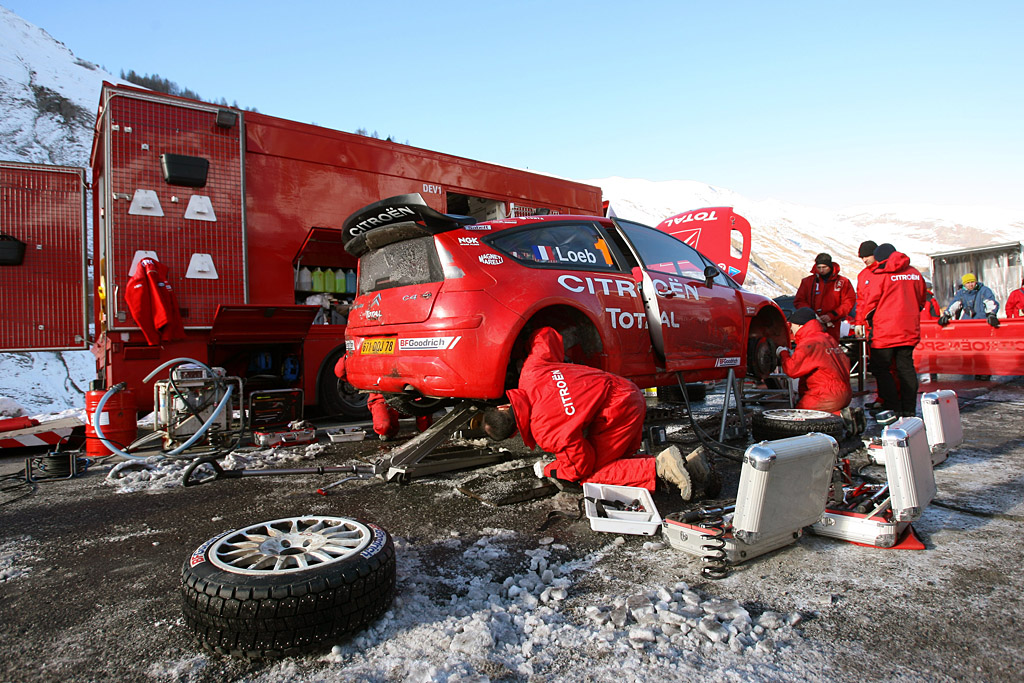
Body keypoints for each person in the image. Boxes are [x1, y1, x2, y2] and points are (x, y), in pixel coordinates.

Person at [481, 327, 709, 500]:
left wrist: (550, 467)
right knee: (616, 461)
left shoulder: (545, 432)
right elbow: (546, 337)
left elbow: (580, 465)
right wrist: (527, 334)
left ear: (514, 434)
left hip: (619, 413)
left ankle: (662, 467)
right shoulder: (531, 372)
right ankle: (690, 466)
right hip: (626, 390)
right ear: (503, 406)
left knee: (591, 475)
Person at [861, 243, 927, 418]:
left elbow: (870, 304)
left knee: (882, 369)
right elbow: (922, 300)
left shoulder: (881, 274)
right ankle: (909, 408)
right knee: (906, 368)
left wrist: (866, 321)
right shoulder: (914, 273)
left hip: (885, 331)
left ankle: (892, 407)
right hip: (909, 329)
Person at [334, 354, 432, 440]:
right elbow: (340, 371)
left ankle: (424, 430)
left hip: (409, 394)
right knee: (384, 427)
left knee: (424, 407)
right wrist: (348, 356)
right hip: (383, 397)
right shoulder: (367, 347)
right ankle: (389, 432)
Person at [776, 308, 852, 415]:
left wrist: (783, 353)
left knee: (799, 417)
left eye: (791, 325)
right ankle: (840, 414)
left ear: (799, 325)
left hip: (825, 396)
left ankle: (839, 415)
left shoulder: (809, 342)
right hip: (845, 393)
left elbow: (791, 370)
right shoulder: (827, 338)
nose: (790, 328)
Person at [794, 252, 856, 340]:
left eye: (824, 267)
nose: (821, 270)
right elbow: (799, 301)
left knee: (830, 348)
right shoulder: (807, 282)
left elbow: (848, 302)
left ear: (830, 266)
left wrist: (832, 315)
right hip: (811, 326)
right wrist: (811, 314)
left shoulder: (843, 282)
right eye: (819, 268)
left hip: (833, 325)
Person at [852, 241, 878, 339]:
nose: (864, 260)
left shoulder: (887, 271)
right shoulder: (863, 275)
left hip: (886, 321)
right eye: (862, 257)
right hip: (869, 324)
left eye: (867, 256)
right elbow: (861, 301)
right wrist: (858, 322)